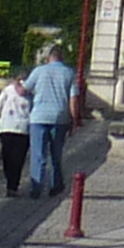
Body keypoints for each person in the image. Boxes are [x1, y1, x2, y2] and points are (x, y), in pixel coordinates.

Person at [24, 47, 78, 195]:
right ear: (62, 57)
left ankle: (36, 187)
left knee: (38, 154)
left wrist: (14, 85)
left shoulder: (39, 71)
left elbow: (24, 89)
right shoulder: (69, 73)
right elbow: (73, 100)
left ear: (48, 57)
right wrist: (74, 120)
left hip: (38, 117)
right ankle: (56, 185)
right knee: (56, 154)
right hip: (60, 118)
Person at [0, 67, 31, 194]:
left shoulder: (7, 90)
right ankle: (13, 185)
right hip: (24, 128)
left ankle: (10, 180)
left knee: (7, 156)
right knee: (18, 158)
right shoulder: (32, 92)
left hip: (6, 127)